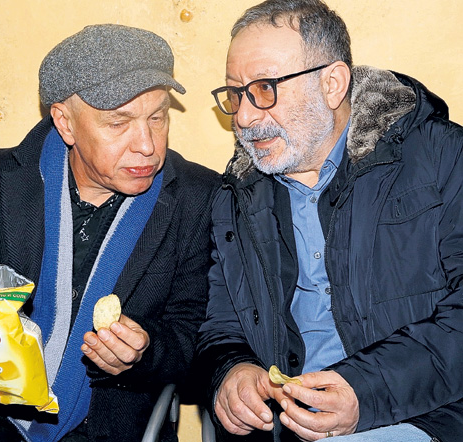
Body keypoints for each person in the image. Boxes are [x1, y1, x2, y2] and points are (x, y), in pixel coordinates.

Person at [195, 1, 463, 441]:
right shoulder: (237, 195)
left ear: (332, 84)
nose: (243, 117)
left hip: (427, 415)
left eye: (265, 88)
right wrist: (230, 371)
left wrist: (366, 391)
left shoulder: (442, 159)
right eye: (236, 94)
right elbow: (222, 326)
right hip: (284, 428)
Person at [0, 24, 219, 442]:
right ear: (65, 123)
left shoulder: (197, 198)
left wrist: (145, 351)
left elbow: (199, 339)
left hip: (111, 427)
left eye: (157, 117)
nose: (147, 145)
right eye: (118, 123)